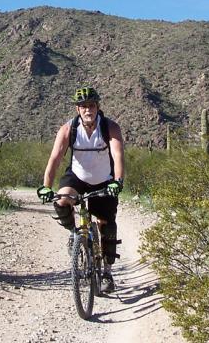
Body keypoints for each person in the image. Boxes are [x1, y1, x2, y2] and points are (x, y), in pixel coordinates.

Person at [37, 86, 125, 293]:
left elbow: (118, 156)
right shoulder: (68, 129)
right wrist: (46, 186)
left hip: (104, 179)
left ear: (98, 107)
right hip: (77, 177)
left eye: (91, 105)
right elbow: (55, 158)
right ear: (77, 109)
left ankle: (107, 273)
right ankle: (75, 234)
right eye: (83, 106)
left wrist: (118, 181)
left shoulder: (110, 127)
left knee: (107, 225)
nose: (88, 110)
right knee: (61, 200)